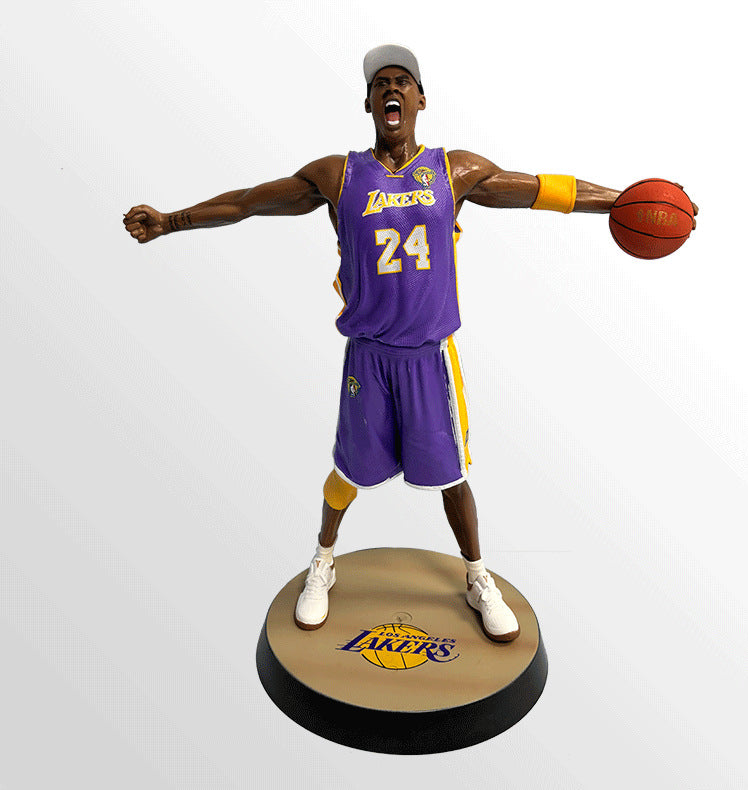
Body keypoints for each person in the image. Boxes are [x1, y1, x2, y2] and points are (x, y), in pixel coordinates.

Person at [123, 45, 694, 642]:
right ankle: (324, 560)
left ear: (421, 99)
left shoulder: (454, 170)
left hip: (429, 358)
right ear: (369, 103)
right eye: (380, 84)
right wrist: (171, 221)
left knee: (452, 476)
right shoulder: (339, 175)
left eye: (403, 82)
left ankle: (477, 576)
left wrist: (628, 200)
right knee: (347, 471)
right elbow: (247, 203)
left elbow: (536, 190)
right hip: (368, 356)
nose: (391, 89)